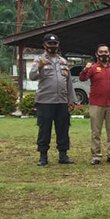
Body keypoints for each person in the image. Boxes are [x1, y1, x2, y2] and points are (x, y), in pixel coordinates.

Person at [29, 33, 76, 166]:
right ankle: (43, 156)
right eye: (50, 44)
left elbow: (68, 82)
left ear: (58, 44)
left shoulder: (63, 61)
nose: (53, 46)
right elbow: (31, 76)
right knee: (44, 129)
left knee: (63, 129)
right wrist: (39, 67)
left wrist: (71, 99)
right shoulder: (39, 60)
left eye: (55, 43)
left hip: (61, 101)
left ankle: (63, 155)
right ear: (44, 45)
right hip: (45, 101)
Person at [78, 44, 110, 165]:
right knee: (96, 132)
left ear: (109, 54)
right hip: (96, 104)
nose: (103, 54)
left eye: (106, 52)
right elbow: (82, 78)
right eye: (101, 52)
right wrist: (85, 69)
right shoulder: (93, 68)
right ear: (97, 54)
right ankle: (96, 156)